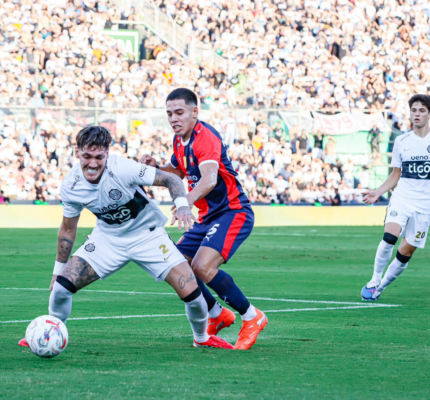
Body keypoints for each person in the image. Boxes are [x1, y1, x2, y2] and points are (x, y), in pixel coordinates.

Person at [19, 126, 233, 350]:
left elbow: (171, 179)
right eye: (87, 156)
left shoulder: (123, 168)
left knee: (192, 293)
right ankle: (50, 330)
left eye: (99, 157)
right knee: (61, 288)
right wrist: (57, 271)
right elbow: (67, 229)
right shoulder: (71, 185)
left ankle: (202, 338)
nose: (93, 163)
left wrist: (182, 206)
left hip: (148, 236)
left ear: (107, 154)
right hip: (108, 239)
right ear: (77, 152)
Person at [140, 88, 267, 350]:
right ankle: (217, 313)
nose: (174, 119)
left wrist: (184, 201)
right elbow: (176, 172)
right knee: (176, 265)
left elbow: (209, 178)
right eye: (169, 114)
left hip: (232, 212)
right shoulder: (179, 141)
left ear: (195, 112)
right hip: (208, 217)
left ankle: (252, 317)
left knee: (202, 267)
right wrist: (155, 168)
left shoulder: (205, 137)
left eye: (179, 112)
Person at [361, 95, 430, 301]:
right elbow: (395, 174)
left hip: (425, 205)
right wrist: (378, 192)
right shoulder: (401, 141)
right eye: (414, 110)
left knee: (405, 252)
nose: (417, 114)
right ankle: (374, 279)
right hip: (403, 198)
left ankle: (381, 287)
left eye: (422, 110)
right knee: (390, 237)